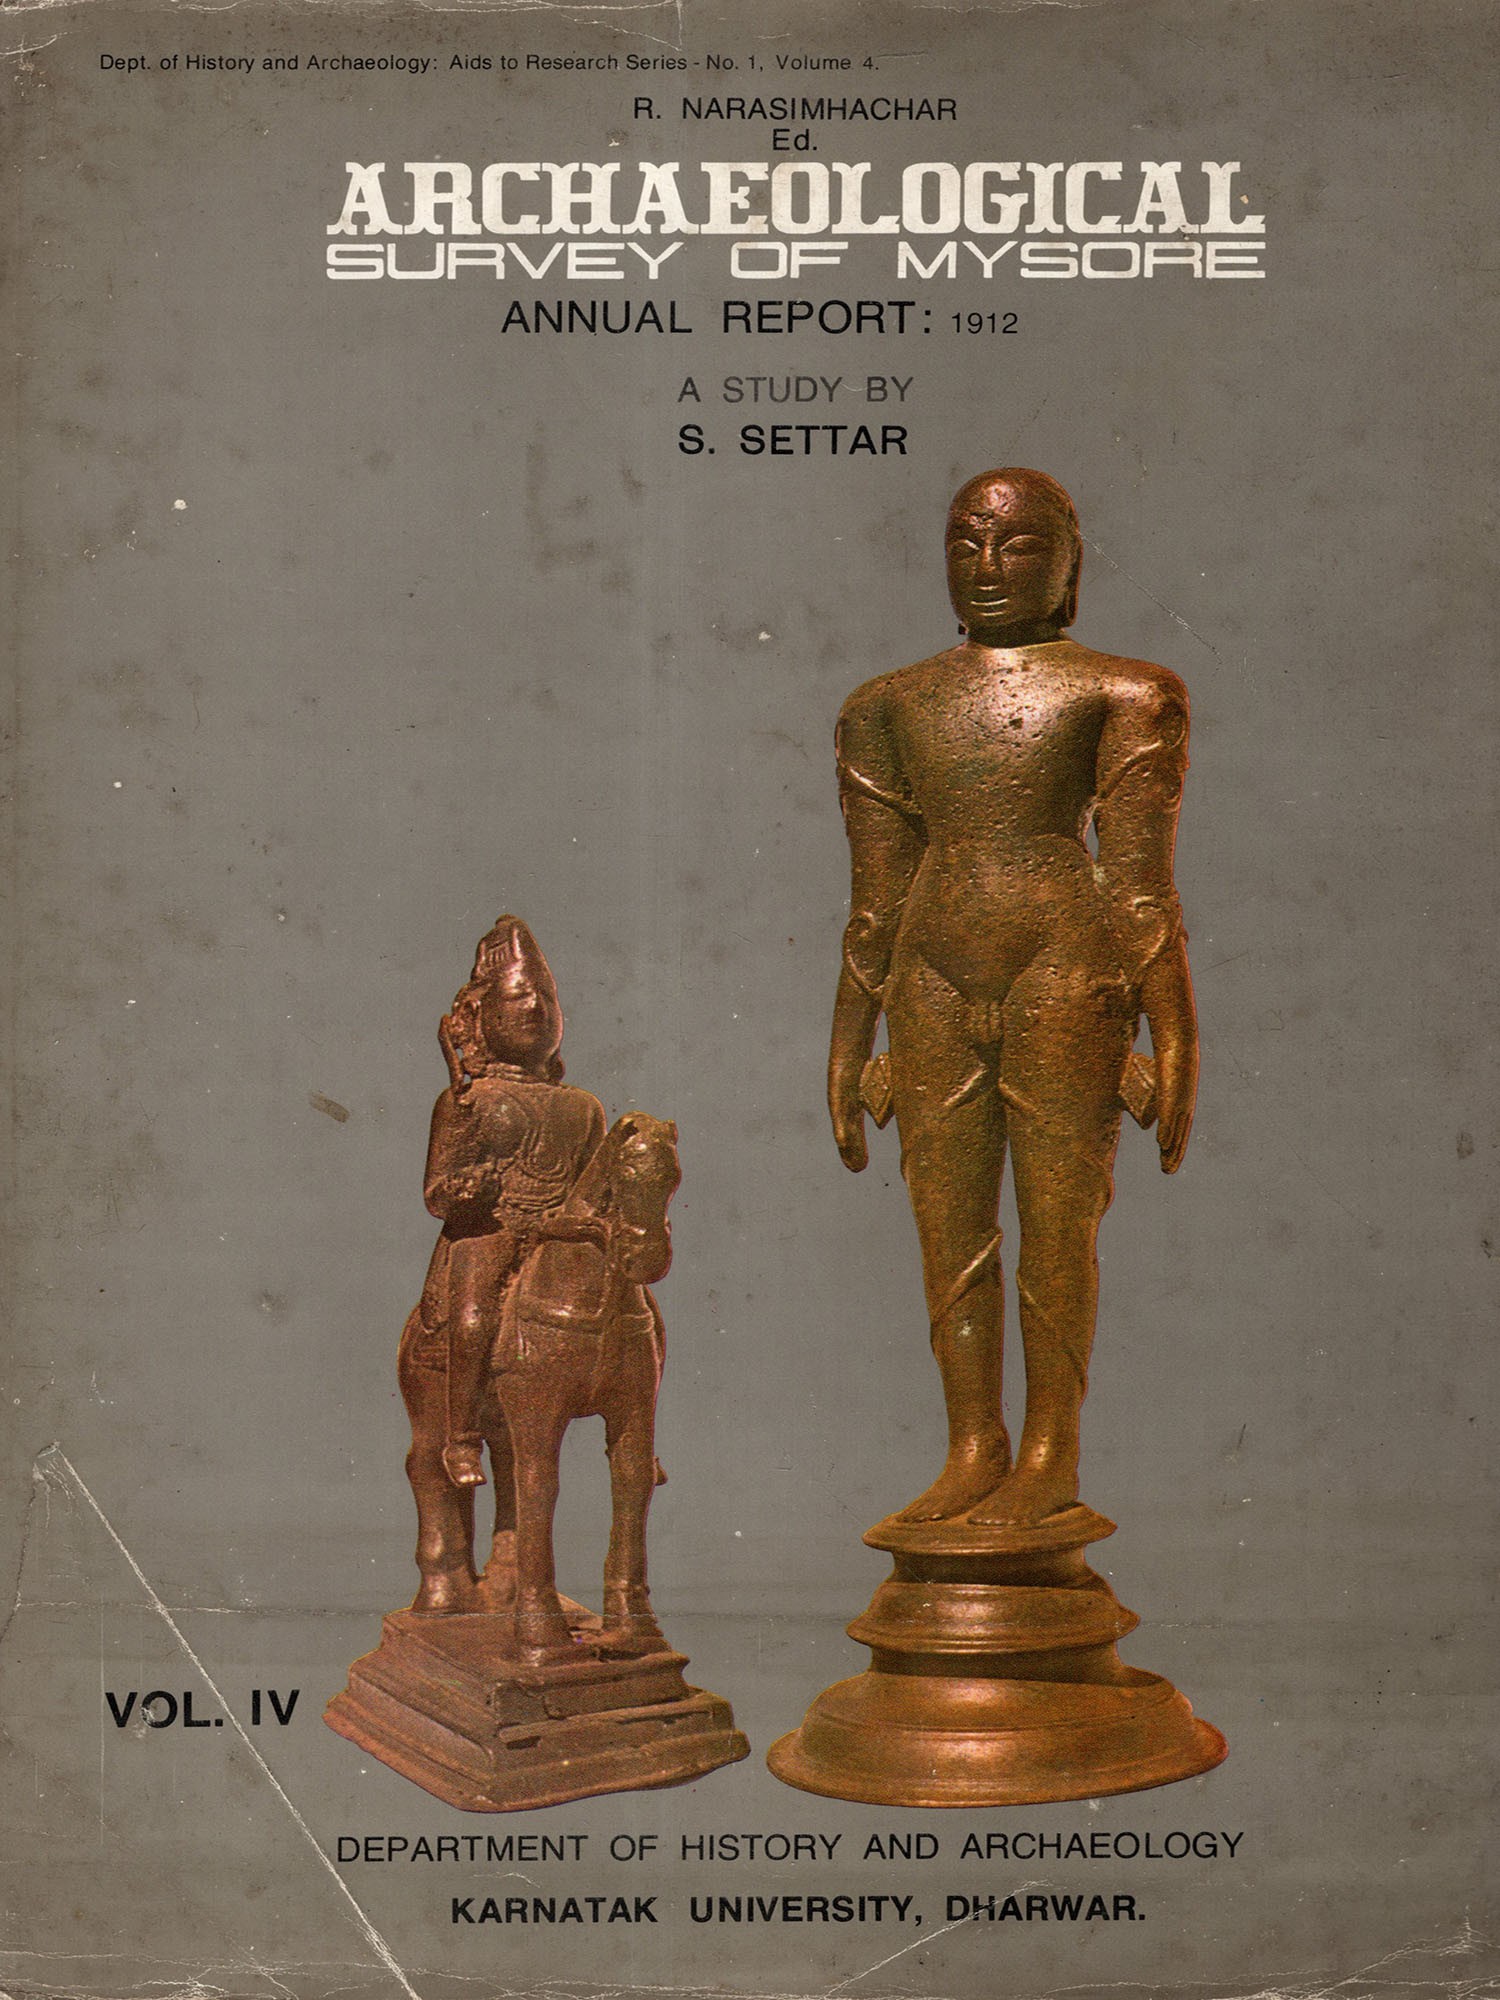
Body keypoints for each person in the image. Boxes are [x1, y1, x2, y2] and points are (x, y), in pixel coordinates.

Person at [828, 469, 1198, 1527]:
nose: (988, 565)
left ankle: (1050, 1450)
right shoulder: (886, 706)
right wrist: (848, 1041)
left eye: (1022, 544)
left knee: (1058, 1221)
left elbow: (1139, 887)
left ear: (1071, 562)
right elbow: (875, 900)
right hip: (930, 970)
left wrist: (1174, 1028)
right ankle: (972, 1443)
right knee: (948, 1229)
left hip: (1065, 963)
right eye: (967, 543)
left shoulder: (1125, 694)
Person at [418, 917, 607, 1489]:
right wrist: (465, 1189)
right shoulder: (467, 1100)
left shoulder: (583, 1107)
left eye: (546, 997)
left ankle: (637, 1433)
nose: (536, 1008)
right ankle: (461, 1438)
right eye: (519, 996)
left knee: (640, 1315)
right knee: (474, 1320)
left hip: (561, 1232)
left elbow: (594, 1184)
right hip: (491, 1233)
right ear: (480, 1017)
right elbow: (436, 1192)